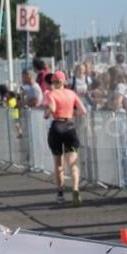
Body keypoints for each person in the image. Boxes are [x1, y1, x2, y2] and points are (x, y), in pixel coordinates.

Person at [44, 70, 88, 206]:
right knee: (73, 162)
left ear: (53, 82)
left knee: (58, 163)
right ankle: (75, 189)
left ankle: (60, 194)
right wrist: (71, 114)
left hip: (57, 126)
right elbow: (83, 110)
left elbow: (52, 108)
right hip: (69, 126)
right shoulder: (71, 93)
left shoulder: (51, 94)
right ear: (64, 81)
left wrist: (47, 113)